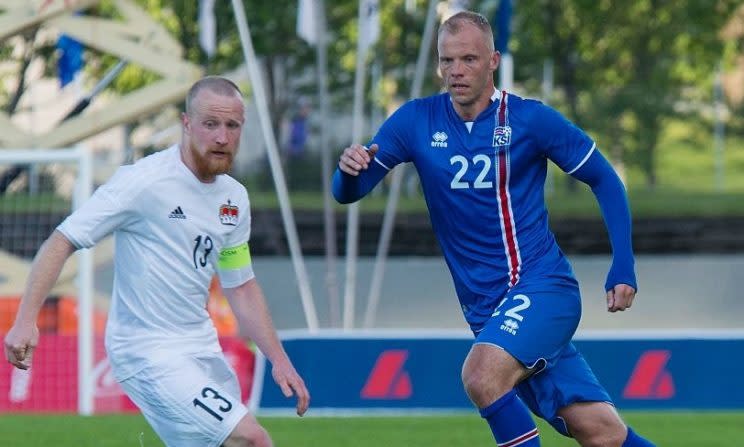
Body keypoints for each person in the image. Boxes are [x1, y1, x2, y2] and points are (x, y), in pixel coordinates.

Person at [332, 11, 654, 447]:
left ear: (493, 61)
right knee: (602, 433)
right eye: (447, 61)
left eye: (468, 59)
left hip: (542, 288)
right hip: (488, 310)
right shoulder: (415, 121)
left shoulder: (530, 120)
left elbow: (604, 179)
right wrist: (350, 170)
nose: (456, 71)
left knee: (482, 375)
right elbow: (349, 191)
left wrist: (623, 265)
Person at [4, 76, 309, 447]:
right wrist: (25, 321)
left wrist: (277, 358)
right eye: (210, 124)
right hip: (146, 351)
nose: (222, 137)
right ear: (186, 123)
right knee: (251, 439)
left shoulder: (234, 200)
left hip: (201, 347)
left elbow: (240, 285)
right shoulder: (143, 182)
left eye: (232, 126)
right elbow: (62, 240)